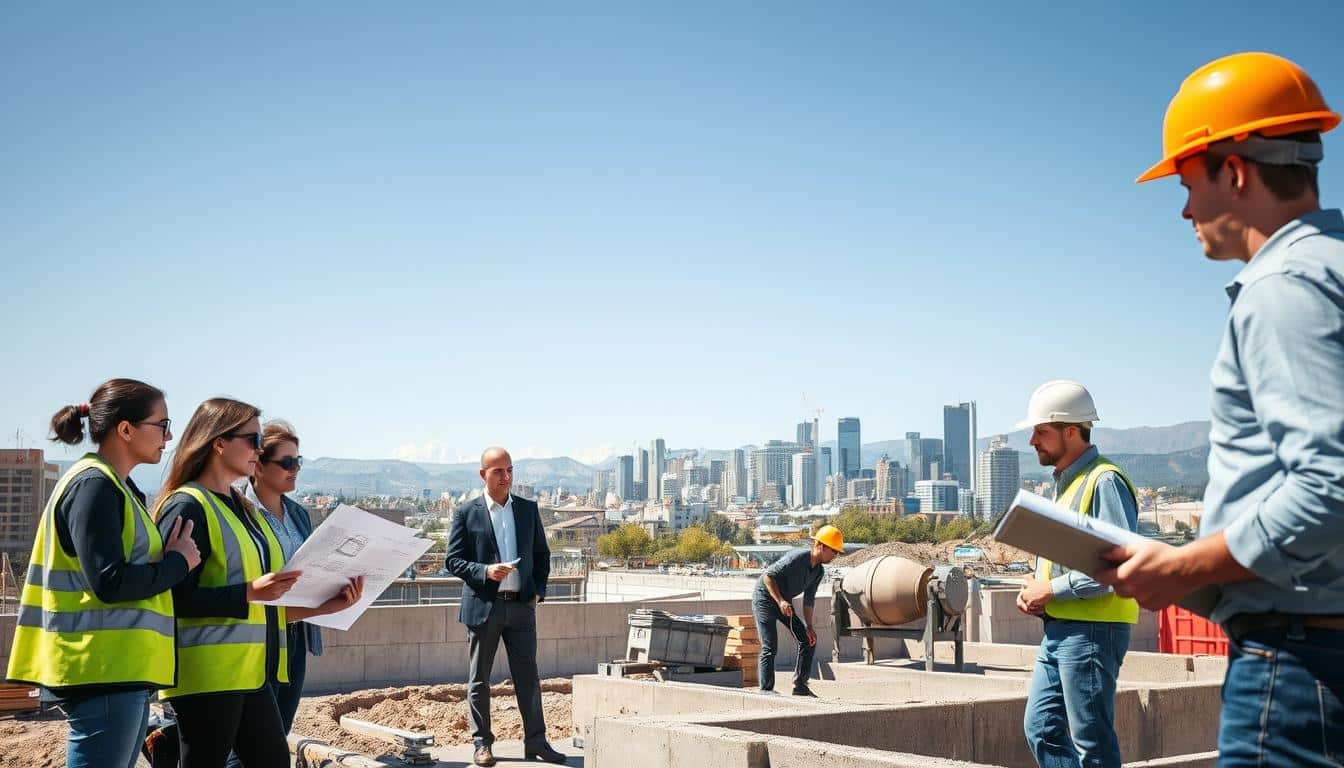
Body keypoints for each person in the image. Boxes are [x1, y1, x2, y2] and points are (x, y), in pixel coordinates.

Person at [1104, 51, 1343, 767]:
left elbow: (1331, 482)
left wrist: (1182, 568)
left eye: (1187, 181)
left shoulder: (1284, 288)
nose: (1183, 209)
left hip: (1299, 668)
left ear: (1234, 172)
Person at [154, 398, 362, 768]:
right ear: (219, 442)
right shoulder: (188, 506)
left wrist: (326, 606)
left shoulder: (240, 508)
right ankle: (162, 742)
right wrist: (249, 592)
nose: (258, 449)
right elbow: (170, 598)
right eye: (253, 440)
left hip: (252, 672)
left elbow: (265, 604)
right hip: (208, 674)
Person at [6, 379, 198, 768]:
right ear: (125, 429)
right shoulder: (95, 486)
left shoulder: (116, 488)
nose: (170, 436)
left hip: (116, 669)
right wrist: (179, 563)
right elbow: (110, 581)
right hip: (101, 667)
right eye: (162, 425)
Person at [1013, 381, 1139, 768]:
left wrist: (1050, 589)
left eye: (1041, 430)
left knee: (1092, 743)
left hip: (1092, 632)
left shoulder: (1104, 481)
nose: (1032, 439)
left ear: (1072, 431)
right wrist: (1038, 591)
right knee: (1042, 729)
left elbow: (1117, 565)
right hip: (1062, 628)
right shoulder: (1065, 487)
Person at [447, 447, 565, 766]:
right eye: (498, 471)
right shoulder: (466, 513)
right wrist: (485, 571)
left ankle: (537, 743)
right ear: (483, 474)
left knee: (529, 677)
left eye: (510, 470)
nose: (506, 476)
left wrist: (537, 593)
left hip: (522, 608)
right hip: (484, 607)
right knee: (479, 680)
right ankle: (482, 745)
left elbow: (542, 555)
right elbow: (452, 561)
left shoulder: (527, 509)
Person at [219, 421, 321, 768]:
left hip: (295, 635)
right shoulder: (237, 512)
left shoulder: (298, 514)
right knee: (250, 745)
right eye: (287, 463)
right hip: (258, 637)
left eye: (298, 462)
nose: (295, 470)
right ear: (258, 466)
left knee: (279, 735)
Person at [753, 524, 843, 697]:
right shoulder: (797, 558)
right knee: (770, 646)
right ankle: (766, 690)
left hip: (784, 602)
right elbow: (768, 577)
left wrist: (809, 627)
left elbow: (809, 600)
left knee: (808, 640)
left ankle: (800, 686)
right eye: (834, 551)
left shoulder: (818, 572)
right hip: (765, 599)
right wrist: (780, 601)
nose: (835, 556)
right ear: (821, 546)